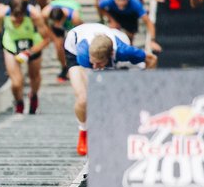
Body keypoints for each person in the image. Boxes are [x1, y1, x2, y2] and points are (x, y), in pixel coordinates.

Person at [64, 23, 157, 155]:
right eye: (93, 63)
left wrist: (146, 87)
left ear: (111, 55)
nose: (95, 66)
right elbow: (92, 82)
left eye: (99, 63)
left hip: (112, 41)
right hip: (74, 49)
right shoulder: (83, 55)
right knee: (83, 99)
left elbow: (152, 60)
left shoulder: (123, 51)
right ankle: (83, 131)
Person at [0, 0, 50, 114]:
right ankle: (19, 101)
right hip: (11, 45)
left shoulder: (35, 16)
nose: (16, 21)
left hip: (32, 44)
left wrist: (29, 52)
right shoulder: (2, 13)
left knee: (34, 76)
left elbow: (46, 40)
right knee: (16, 82)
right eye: (14, 17)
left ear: (25, 14)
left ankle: (33, 95)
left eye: (20, 18)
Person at [98, 0, 162, 52]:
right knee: (113, 28)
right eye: (119, 0)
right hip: (115, 12)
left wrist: (152, 41)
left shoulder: (135, 3)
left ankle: (130, 49)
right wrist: (111, 19)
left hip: (130, 15)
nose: (121, 3)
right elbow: (99, 6)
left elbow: (148, 22)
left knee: (130, 36)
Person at [40, 0, 84, 82]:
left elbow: (82, 31)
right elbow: (44, 26)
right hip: (57, 17)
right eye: (55, 23)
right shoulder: (44, 14)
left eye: (59, 23)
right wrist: (53, 37)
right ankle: (65, 67)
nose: (57, 25)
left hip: (73, 23)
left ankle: (76, 66)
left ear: (63, 17)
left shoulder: (75, 17)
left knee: (74, 46)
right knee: (58, 45)